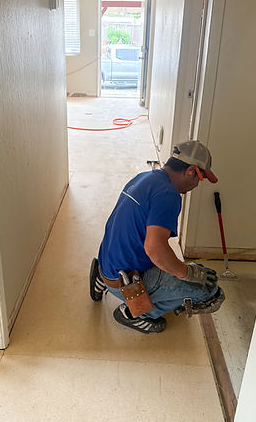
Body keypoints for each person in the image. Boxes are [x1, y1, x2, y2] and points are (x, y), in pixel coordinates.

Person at [90, 140, 225, 334]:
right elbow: (155, 249)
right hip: (124, 280)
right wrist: (188, 273)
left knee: (190, 271)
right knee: (208, 291)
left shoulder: (144, 177)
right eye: (200, 178)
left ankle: (100, 278)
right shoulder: (168, 195)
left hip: (108, 264)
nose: (197, 184)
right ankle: (134, 313)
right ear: (191, 171)